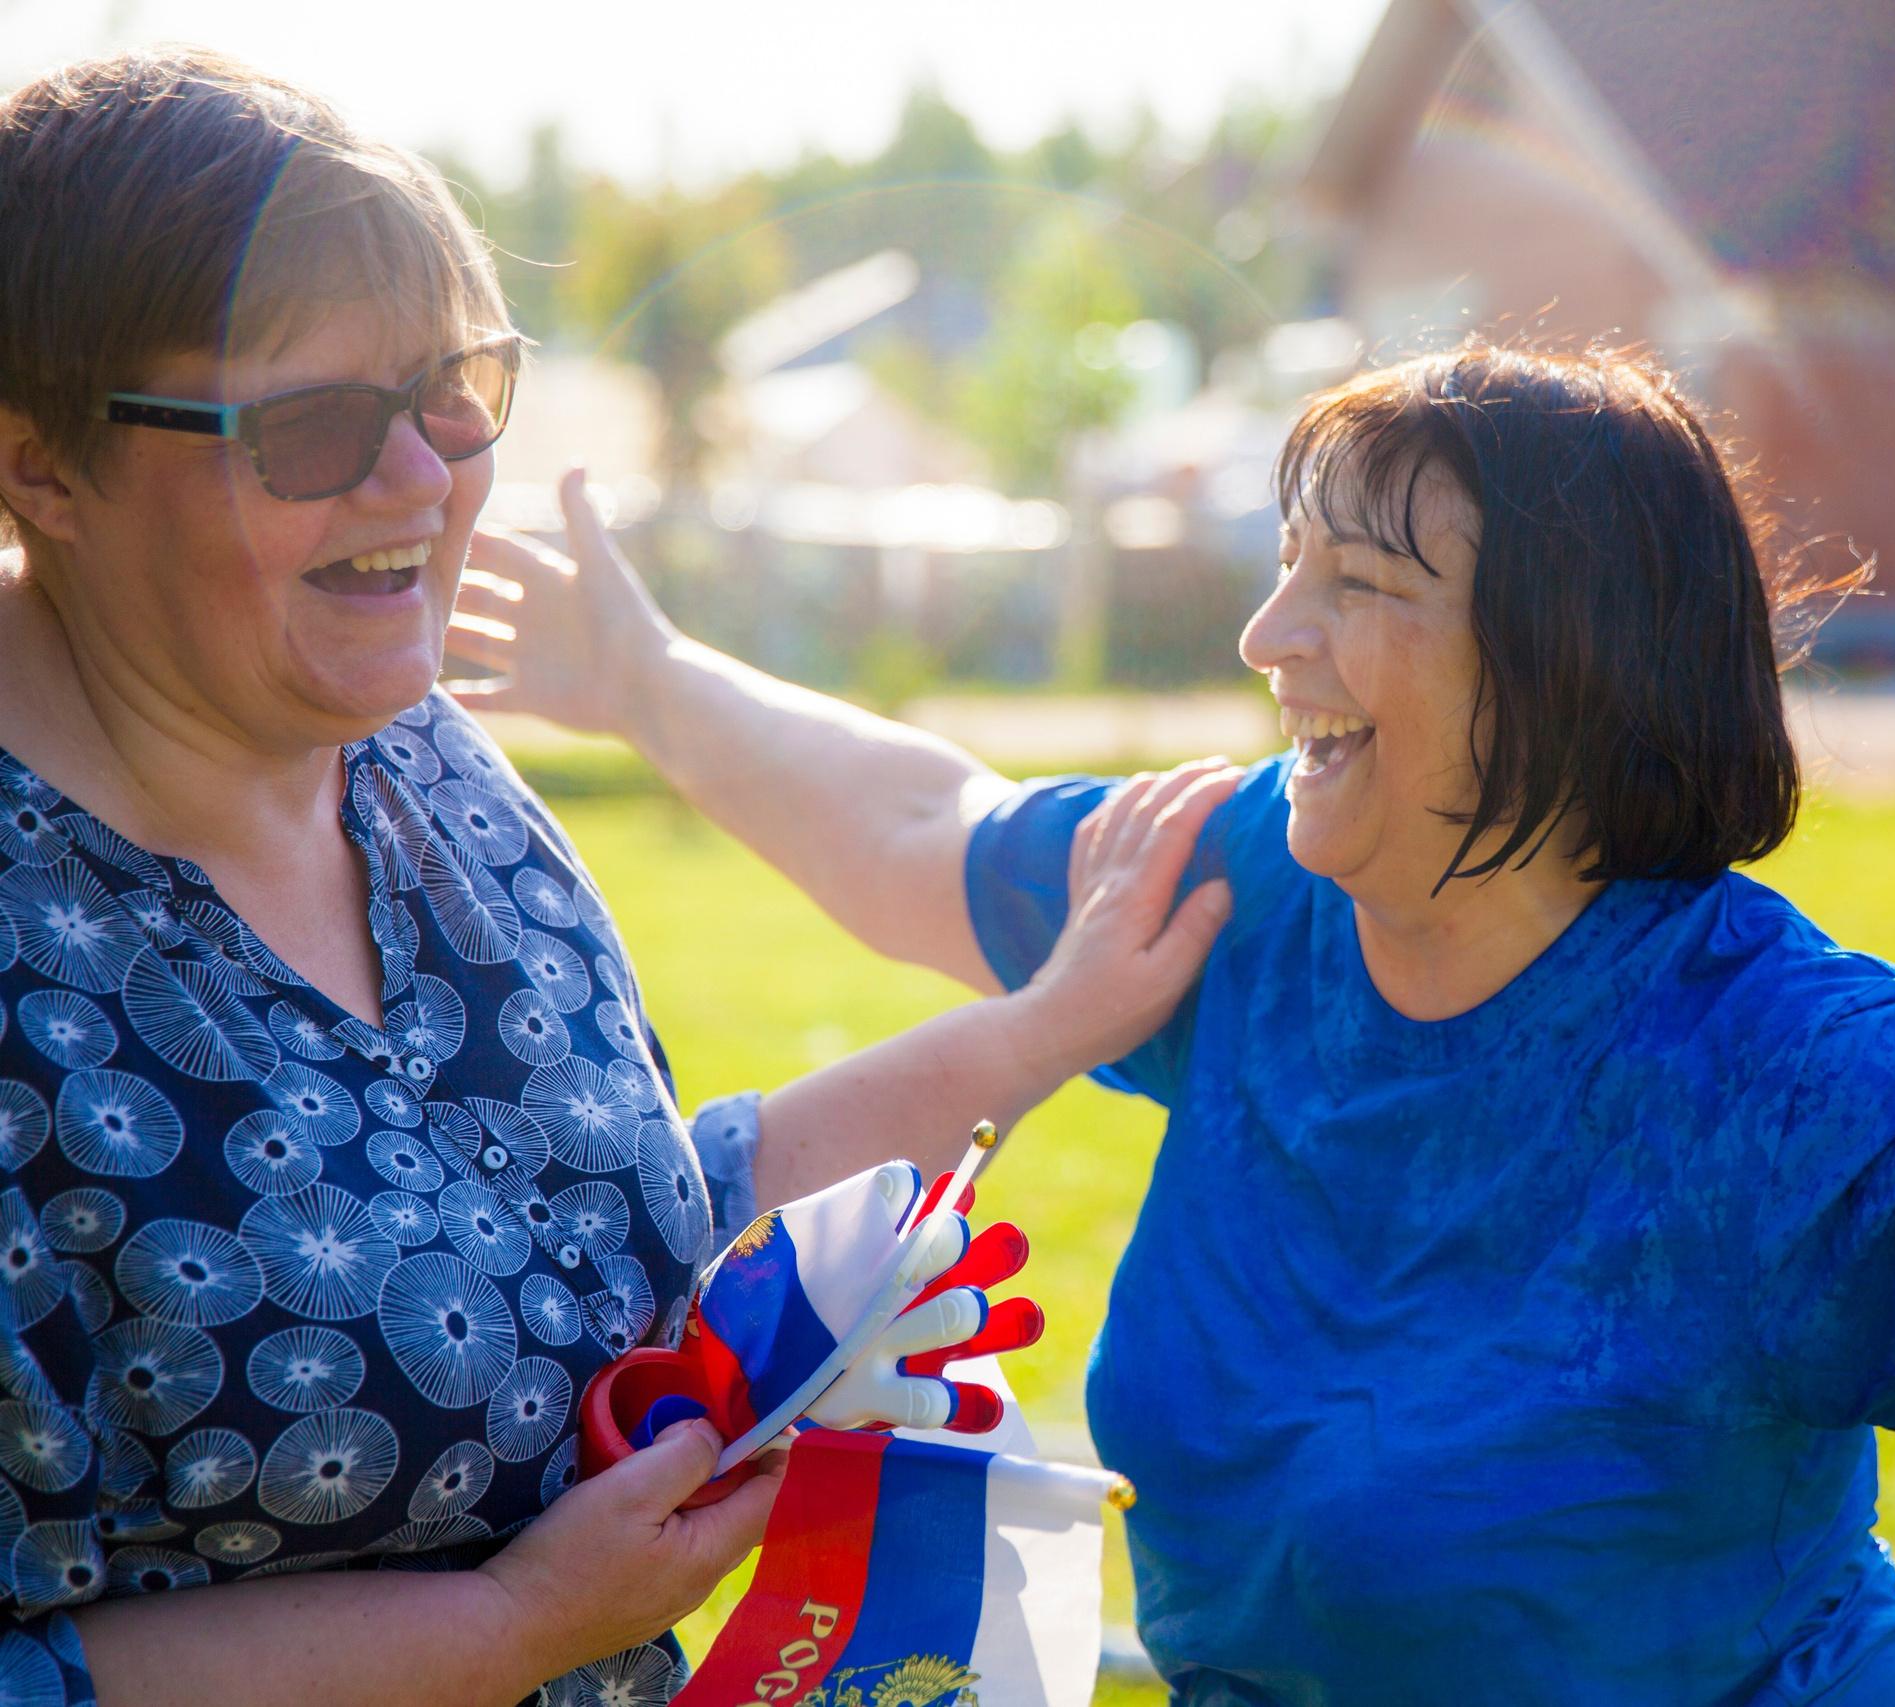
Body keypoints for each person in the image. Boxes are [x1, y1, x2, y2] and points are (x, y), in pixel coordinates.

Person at [466, 337, 1895, 1705]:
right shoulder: (1253, 891)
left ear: (1561, 664)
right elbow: (933, 825)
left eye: (1357, 583)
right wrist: (647, 681)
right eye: (1284, 566)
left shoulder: (1787, 1086)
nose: (1265, 633)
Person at [0, 50, 1217, 1707]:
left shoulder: (422, 764)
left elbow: (625, 1228)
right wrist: (497, 1632)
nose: (425, 479)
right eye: (314, 428)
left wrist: (1047, 1026)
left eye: (455, 389)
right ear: (40, 463)